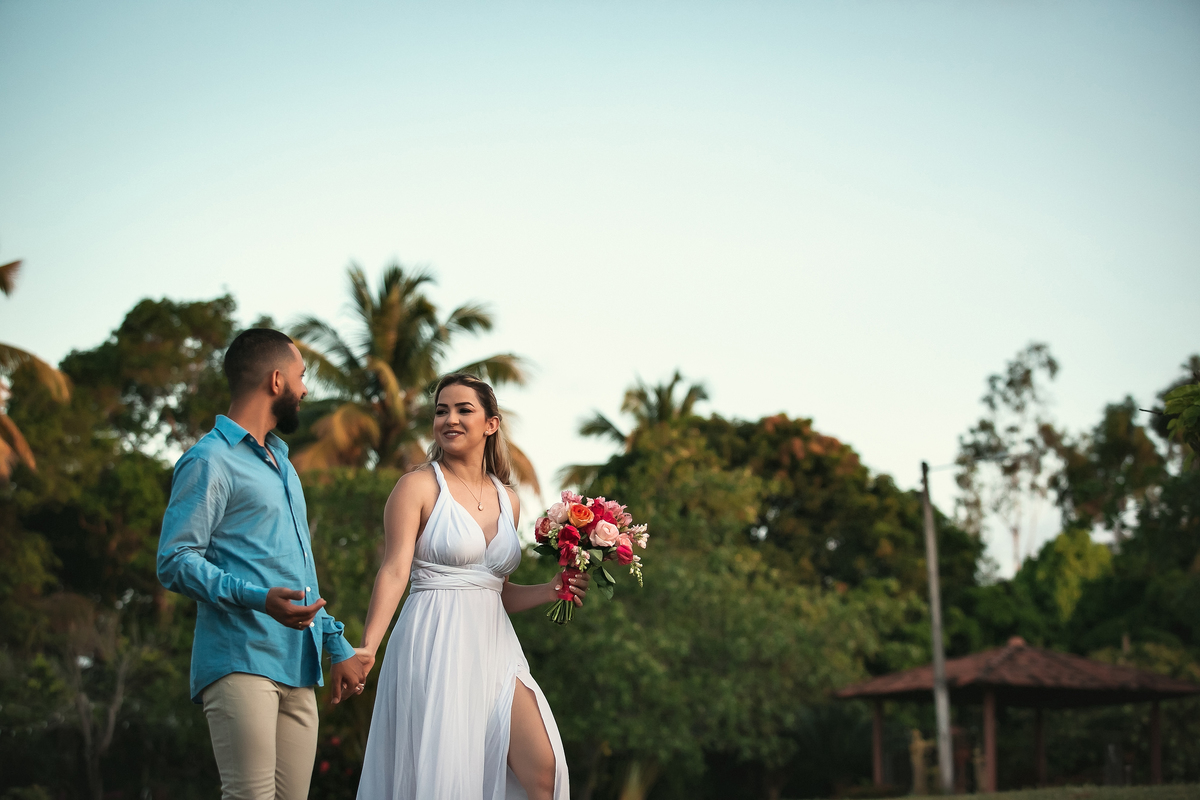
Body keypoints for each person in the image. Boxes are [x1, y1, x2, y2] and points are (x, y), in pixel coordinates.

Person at [157, 328, 371, 800]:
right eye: (301, 375)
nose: (306, 387)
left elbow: (299, 577)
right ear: (277, 380)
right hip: (240, 659)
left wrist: (336, 644)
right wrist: (258, 599)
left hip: (299, 666)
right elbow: (174, 560)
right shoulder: (209, 460)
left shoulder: (283, 464)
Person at [355, 373, 589, 800]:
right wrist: (369, 646)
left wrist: (551, 589)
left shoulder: (508, 498)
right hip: (434, 640)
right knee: (442, 777)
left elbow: (492, 587)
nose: (450, 419)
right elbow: (393, 570)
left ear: (491, 424)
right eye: (442, 411)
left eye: (464, 410)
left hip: (495, 646)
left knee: (544, 771)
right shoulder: (418, 486)